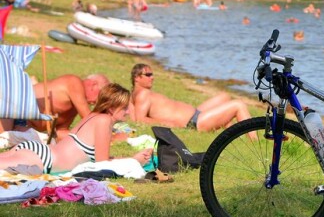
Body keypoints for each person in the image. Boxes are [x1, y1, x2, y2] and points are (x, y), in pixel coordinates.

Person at [0, 84, 151, 173]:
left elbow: (101, 158)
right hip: (44, 159)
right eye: (124, 108)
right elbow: (102, 164)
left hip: (38, 151)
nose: (127, 111)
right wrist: (134, 160)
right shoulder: (104, 121)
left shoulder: (92, 116)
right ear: (111, 108)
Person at [130, 64, 252, 133]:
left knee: (225, 97)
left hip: (196, 114)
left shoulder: (137, 95)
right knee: (238, 104)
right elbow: (140, 120)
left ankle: (229, 133)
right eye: (148, 75)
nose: (152, 77)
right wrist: (167, 123)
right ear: (137, 78)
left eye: (152, 74)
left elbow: (132, 114)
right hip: (194, 123)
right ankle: (255, 142)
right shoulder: (143, 95)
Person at [24, 74, 110, 142]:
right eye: (100, 97)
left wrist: (85, 139)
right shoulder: (74, 82)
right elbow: (90, 120)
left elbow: (60, 132)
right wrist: (109, 135)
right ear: (93, 85)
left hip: (26, 129)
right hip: (17, 116)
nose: (96, 103)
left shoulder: (75, 107)